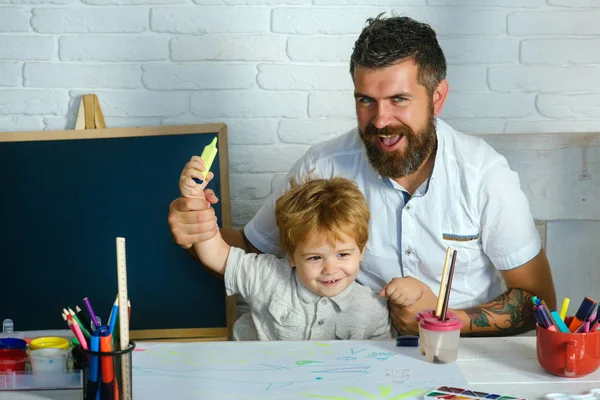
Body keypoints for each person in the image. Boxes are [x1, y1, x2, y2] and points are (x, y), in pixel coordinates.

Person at [168, 14, 556, 337]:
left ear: (437, 97)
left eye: (399, 100)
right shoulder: (319, 167)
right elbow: (257, 254)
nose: (381, 121)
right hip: (350, 358)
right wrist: (199, 229)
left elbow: (540, 301)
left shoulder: (485, 175)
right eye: (366, 101)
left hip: (462, 354)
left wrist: (446, 319)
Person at [178, 156, 394, 340]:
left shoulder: (373, 310)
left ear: (361, 251)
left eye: (343, 254)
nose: (330, 268)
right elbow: (215, 255)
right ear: (291, 255)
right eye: (315, 258)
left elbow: (379, 365)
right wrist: (196, 203)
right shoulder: (267, 276)